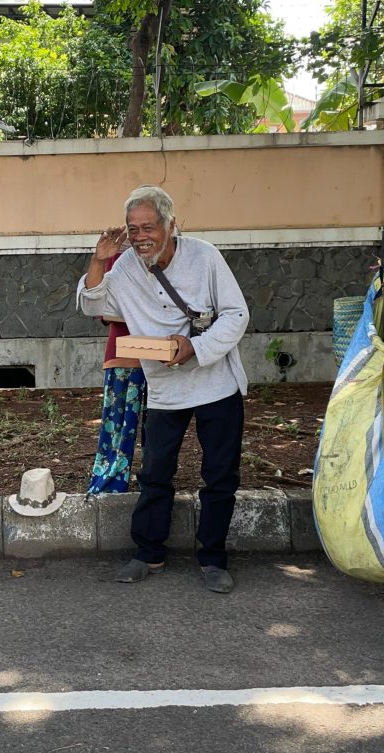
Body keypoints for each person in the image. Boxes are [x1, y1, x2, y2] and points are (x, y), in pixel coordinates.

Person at [76, 185, 249, 594]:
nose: (140, 237)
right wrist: (99, 261)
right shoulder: (124, 267)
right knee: (155, 472)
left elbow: (237, 313)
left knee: (220, 474)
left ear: (171, 224)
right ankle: (148, 551)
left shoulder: (205, 256)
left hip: (216, 382)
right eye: (132, 229)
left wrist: (197, 346)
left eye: (148, 227)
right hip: (165, 387)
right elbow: (93, 306)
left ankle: (213, 557)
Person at [86, 250, 146, 494]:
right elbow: (102, 308)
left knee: (161, 426)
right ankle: (110, 482)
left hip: (166, 354)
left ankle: (154, 481)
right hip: (124, 352)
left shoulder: (177, 256)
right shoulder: (120, 257)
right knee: (117, 425)